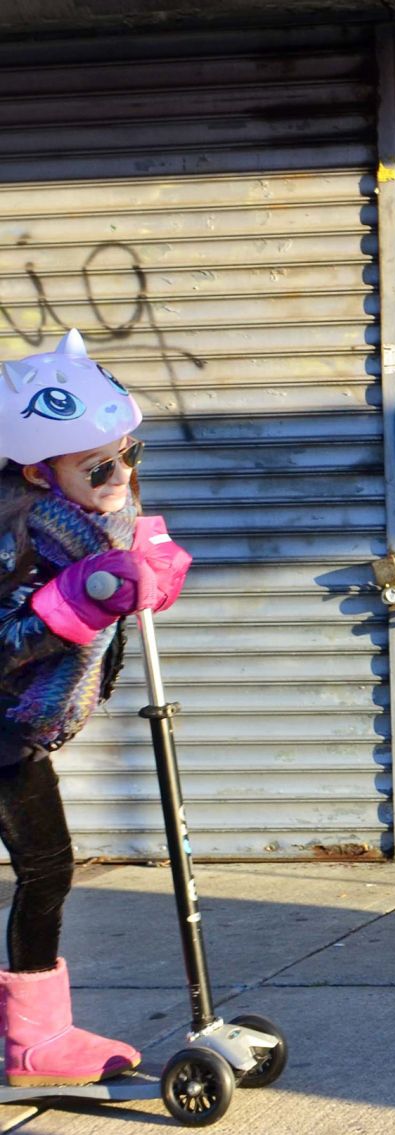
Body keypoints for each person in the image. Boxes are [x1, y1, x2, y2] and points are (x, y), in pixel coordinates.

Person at [0, 330, 190, 1086]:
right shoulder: (20, 534)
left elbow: (116, 584)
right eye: (100, 465)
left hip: (15, 733)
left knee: (46, 869)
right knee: (46, 869)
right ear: (38, 469)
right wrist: (71, 603)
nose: (121, 474)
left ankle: (31, 1039)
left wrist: (144, 575)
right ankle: (34, 1045)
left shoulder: (83, 527)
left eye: (129, 455)